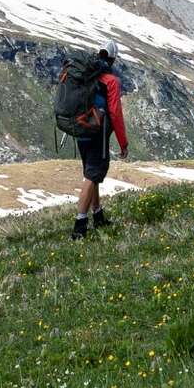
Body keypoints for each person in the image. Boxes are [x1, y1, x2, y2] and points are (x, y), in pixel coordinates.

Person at [72, 41, 127, 240]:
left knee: (90, 173)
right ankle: (80, 225)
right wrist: (123, 142)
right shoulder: (111, 80)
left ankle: (98, 215)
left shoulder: (86, 75)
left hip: (81, 129)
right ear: (112, 58)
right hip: (98, 133)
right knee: (93, 176)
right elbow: (115, 113)